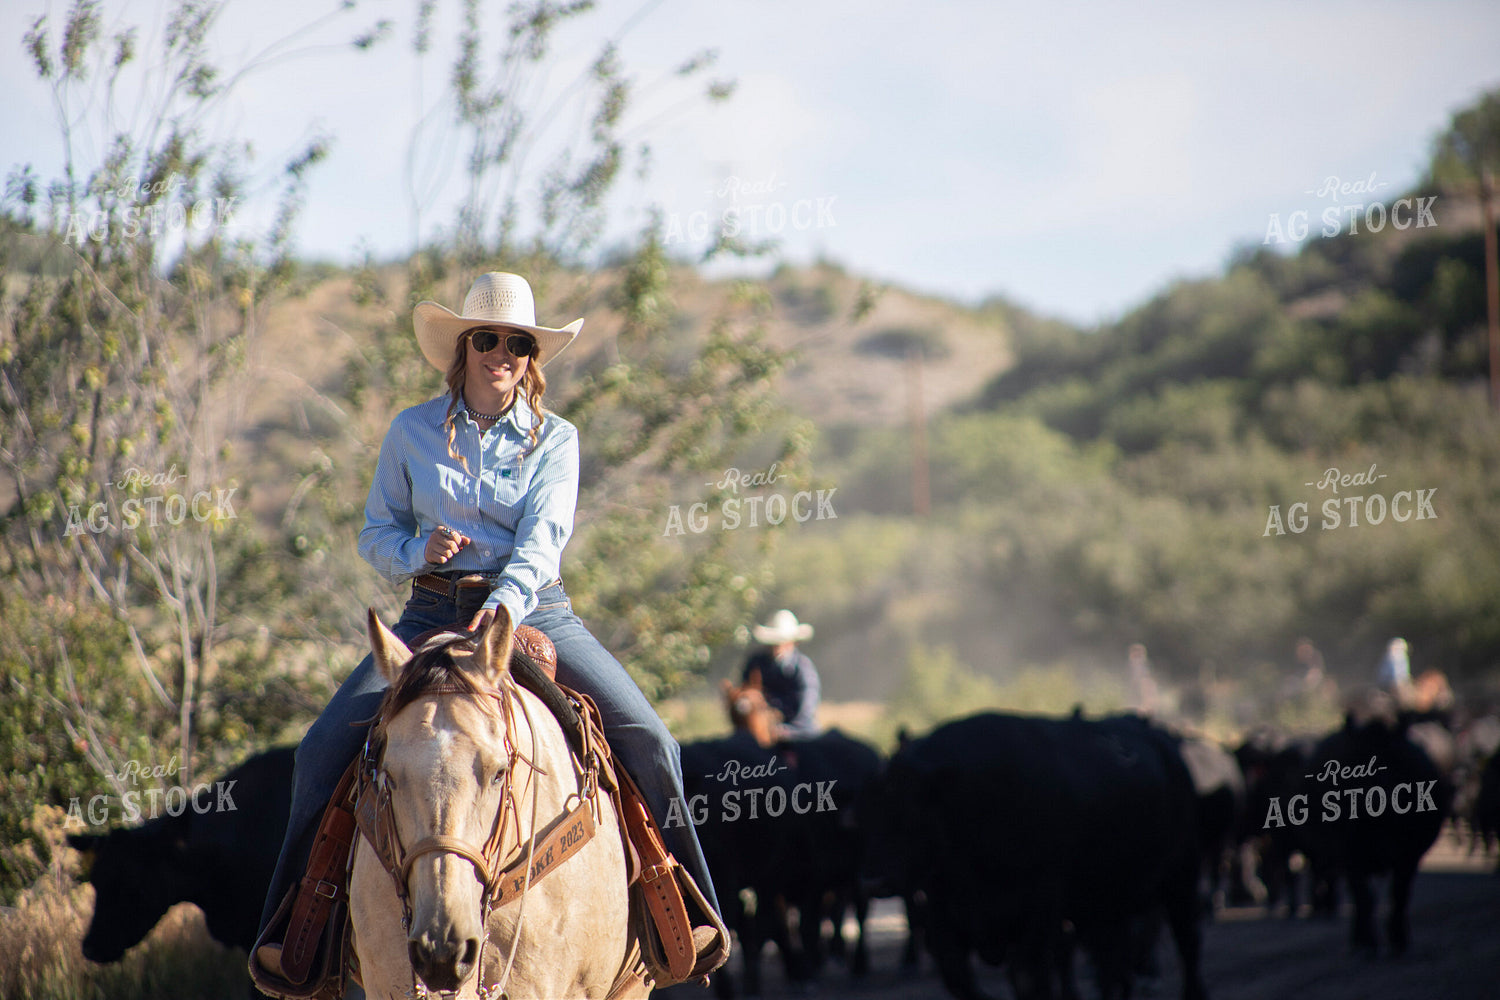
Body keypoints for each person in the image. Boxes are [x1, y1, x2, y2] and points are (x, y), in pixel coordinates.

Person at [254, 272, 722, 984]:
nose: (500, 352)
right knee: (318, 753)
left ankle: (687, 911)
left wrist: (500, 611)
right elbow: (375, 533)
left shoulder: (554, 438)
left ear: (531, 356)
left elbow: (543, 541)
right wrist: (417, 552)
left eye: (516, 342)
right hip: (430, 612)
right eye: (486, 338)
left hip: (534, 611)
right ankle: (296, 938)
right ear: (463, 348)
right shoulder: (410, 430)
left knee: (652, 740)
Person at [741, 609, 821, 739]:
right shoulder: (756, 664)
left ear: (793, 642)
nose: (775, 647)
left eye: (780, 642)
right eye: (773, 642)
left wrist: (783, 730)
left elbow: (805, 711)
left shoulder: (803, 669)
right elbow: (745, 693)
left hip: (798, 734)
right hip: (759, 733)